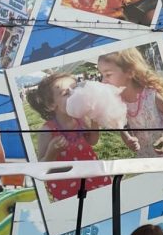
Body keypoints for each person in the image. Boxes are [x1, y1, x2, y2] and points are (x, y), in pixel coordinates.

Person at [25, 72, 110, 201]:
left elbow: (92, 141)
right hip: (68, 188)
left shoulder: (81, 118)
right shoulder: (47, 130)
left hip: (93, 176)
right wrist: (51, 153)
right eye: (66, 93)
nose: (74, 94)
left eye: (75, 89)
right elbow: (40, 169)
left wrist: (94, 121)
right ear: (51, 105)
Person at [98, 50, 163, 157]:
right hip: (146, 155)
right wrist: (128, 139)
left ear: (130, 72)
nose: (103, 81)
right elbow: (122, 127)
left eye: (108, 74)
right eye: (102, 75)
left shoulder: (152, 95)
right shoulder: (118, 102)